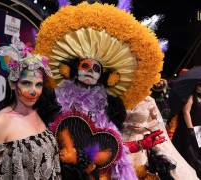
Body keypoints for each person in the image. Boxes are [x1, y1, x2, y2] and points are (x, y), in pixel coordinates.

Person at [35, 3, 166, 179]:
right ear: (73, 69)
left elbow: (111, 146)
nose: (90, 70)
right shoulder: (55, 98)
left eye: (96, 69)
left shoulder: (107, 106)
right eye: (85, 65)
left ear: (105, 77)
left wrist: (141, 145)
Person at [0, 36, 61, 179]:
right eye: (26, 83)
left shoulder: (40, 114)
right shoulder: (0, 122)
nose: (33, 91)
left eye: (38, 84)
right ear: (13, 84)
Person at [124, 96, 199, 180]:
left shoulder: (148, 101)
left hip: (141, 139)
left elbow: (157, 120)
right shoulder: (118, 98)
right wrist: (125, 125)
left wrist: (146, 126)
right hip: (119, 139)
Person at [172, 82, 201, 178]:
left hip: (197, 130)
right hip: (187, 129)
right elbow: (186, 112)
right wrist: (190, 129)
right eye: (199, 85)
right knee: (188, 152)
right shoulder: (191, 96)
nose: (200, 88)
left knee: (195, 152)